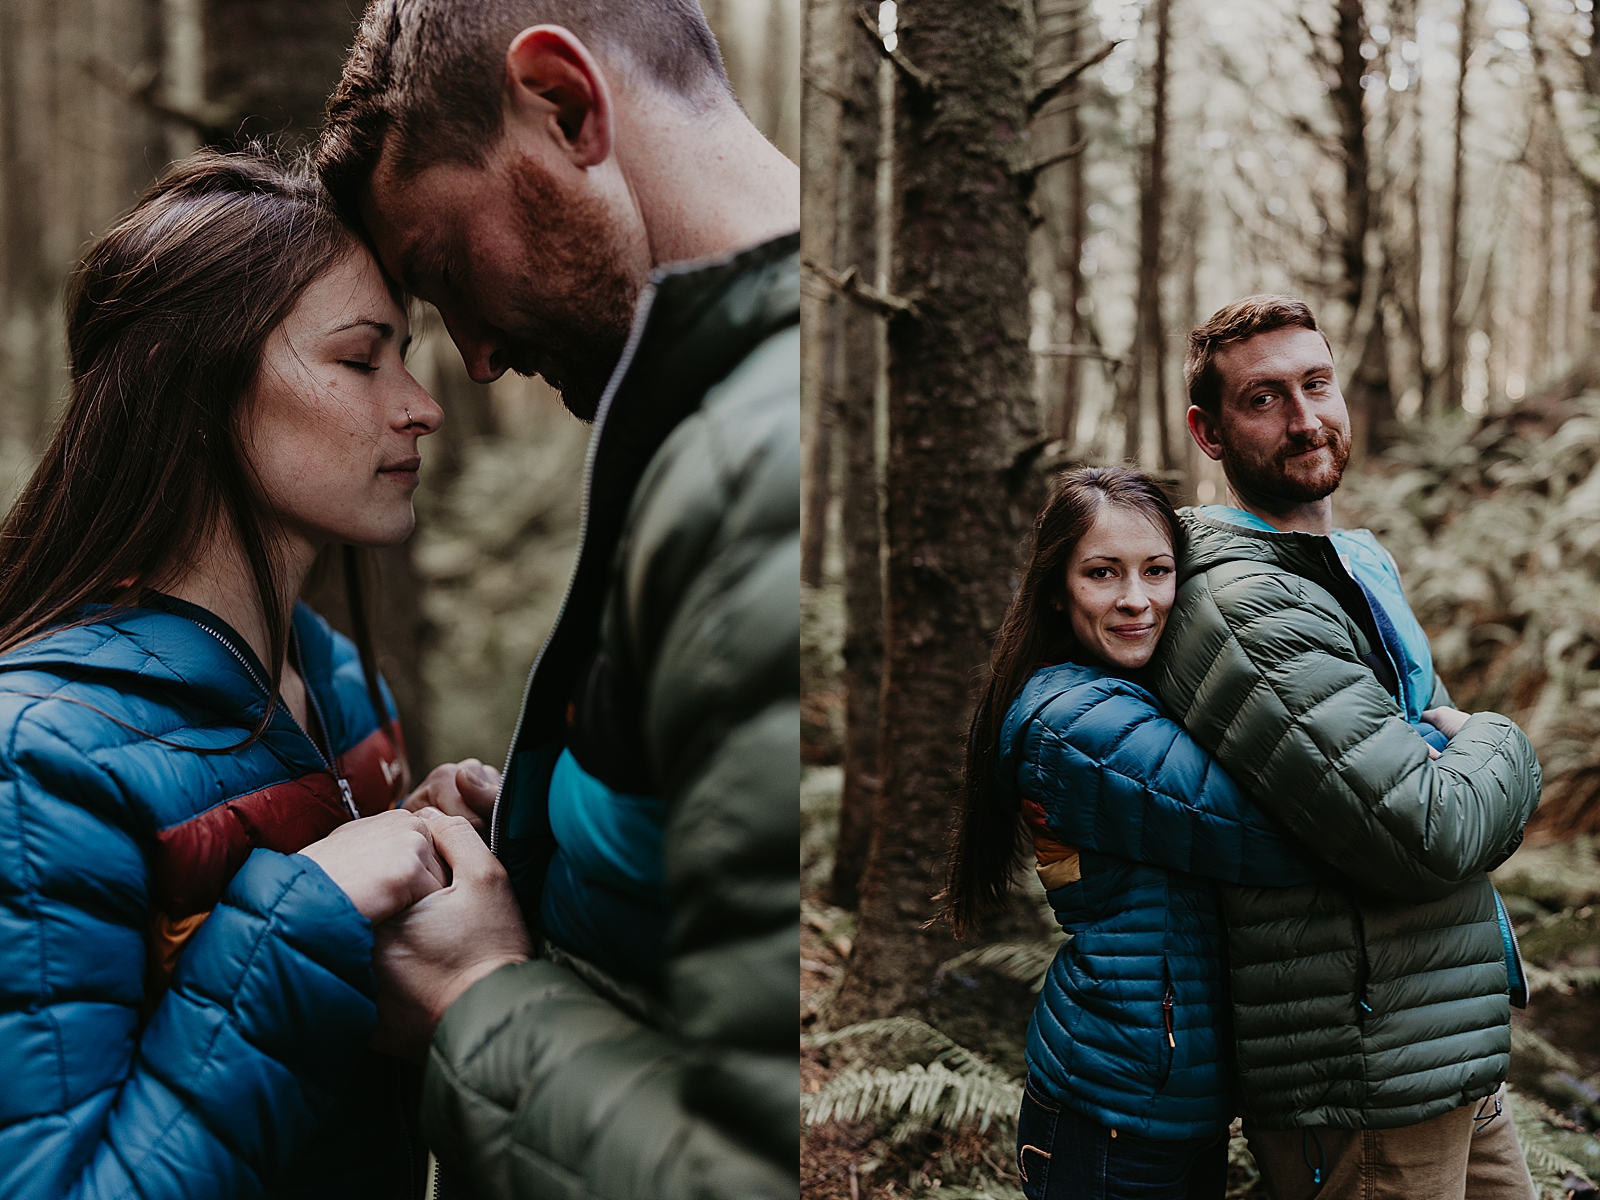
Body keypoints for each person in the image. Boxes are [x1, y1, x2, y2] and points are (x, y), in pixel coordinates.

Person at [312, 1, 800, 1196]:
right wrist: (550, 833)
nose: (472, 358)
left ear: (568, 106)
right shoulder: (708, 419)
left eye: (442, 272)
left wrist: (469, 1000)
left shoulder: (748, 465)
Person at [0, 149, 466, 1198]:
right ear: (196, 387)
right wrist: (302, 920)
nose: (421, 405)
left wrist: (434, 851)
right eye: (362, 360)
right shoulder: (34, 767)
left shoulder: (332, 677)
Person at [1152, 295, 1542, 1199]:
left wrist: (1461, 755)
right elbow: (1426, 826)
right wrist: (1504, 742)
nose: (1304, 418)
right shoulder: (1246, 605)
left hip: (1437, 1042)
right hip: (1365, 1074)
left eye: (1316, 384)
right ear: (1208, 434)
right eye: (1264, 399)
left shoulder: (1346, 567)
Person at [944, 465, 1327, 1199]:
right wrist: (1428, 757)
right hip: (1114, 1105)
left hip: (1164, 1096)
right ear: (1057, 589)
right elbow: (1274, 836)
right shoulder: (1077, 726)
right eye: (1102, 573)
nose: (1136, 600)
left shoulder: (1126, 696)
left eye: (1157, 571)